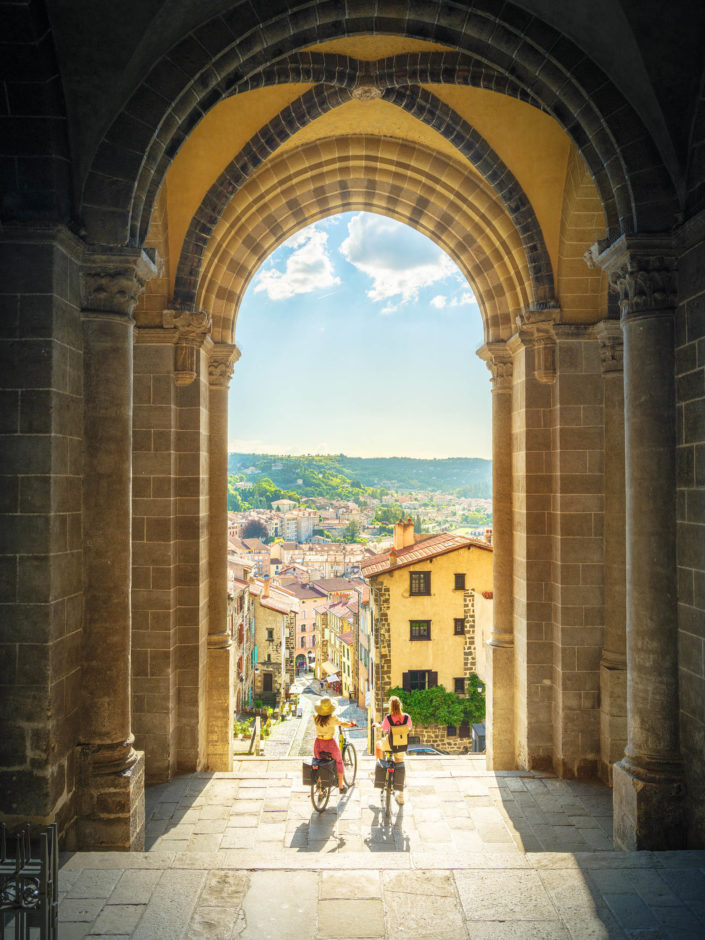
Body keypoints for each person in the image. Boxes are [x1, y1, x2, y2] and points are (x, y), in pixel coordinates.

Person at [313, 696, 356, 794]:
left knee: (319, 763)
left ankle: (320, 790)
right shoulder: (332, 718)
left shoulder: (315, 717)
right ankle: (341, 787)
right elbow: (342, 723)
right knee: (339, 762)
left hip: (318, 743)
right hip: (329, 743)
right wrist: (350, 724)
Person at [376, 695, 412, 804]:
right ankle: (401, 796)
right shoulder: (406, 717)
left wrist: (376, 725)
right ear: (400, 705)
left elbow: (383, 728)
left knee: (378, 745)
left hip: (389, 744)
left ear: (390, 707)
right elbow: (409, 728)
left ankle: (380, 764)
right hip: (401, 745)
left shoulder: (388, 718)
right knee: (400, 765)